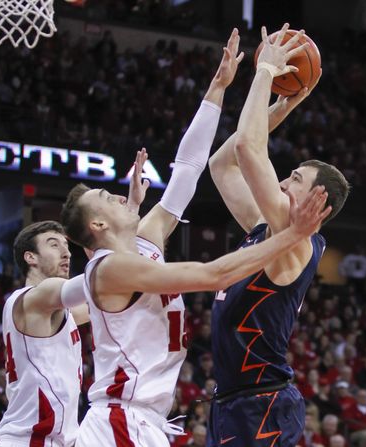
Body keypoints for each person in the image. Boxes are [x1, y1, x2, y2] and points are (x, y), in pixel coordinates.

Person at [61, 29, 331, 446]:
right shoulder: (111, 268)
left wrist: (217, 88)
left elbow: (188, 169)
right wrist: (263, 73)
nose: (118, 193)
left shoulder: (147, 241)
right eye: (105, 197)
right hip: (120, 419)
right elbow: (212, 273)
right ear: (96, 227)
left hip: (156, 419)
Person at [207, 24, 350, 447]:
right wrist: (284, 106)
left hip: (261, 406)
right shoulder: (268, 233)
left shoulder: (294, 241)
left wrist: (265, 72)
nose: (283, 183)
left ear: (317, 202)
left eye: (294, 179)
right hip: (233, 404)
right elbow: (224, 166)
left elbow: (250, 152)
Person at [0, 221, 89, 447]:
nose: (66, 253)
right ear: (31, 258)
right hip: (29, 439)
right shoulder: (34, 298)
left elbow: (113, 299)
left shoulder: (63, 312)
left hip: (52, 439)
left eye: (66, 245)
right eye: (54, 245)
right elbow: (103, 282)